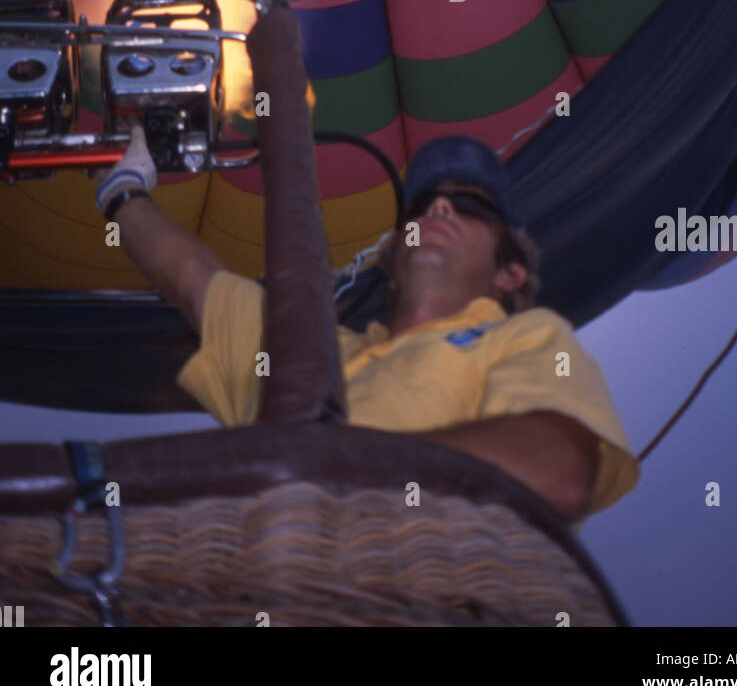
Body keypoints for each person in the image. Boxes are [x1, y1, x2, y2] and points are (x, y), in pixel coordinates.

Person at [96, 129, 640, 527]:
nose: (439, 207)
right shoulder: (309, 351)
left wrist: (334, 464)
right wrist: (121, 187)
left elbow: (554, 473)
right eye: (422, 205)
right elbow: (195, 282)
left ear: (509, 272)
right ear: (389, 258)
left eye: (470, 205)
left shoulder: (524, 337)